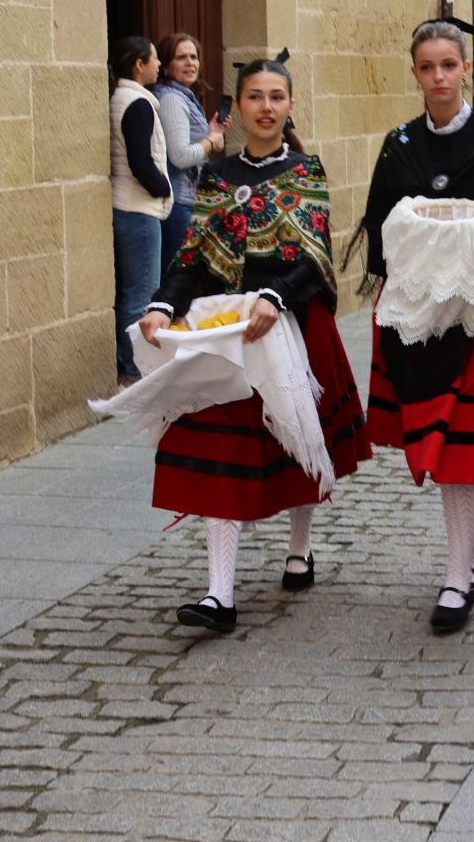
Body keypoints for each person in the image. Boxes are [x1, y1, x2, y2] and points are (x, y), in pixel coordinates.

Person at [133, 57, 370, 632]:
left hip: (292, 321)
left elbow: (314, 259)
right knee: (219, 448)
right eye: (255, 97)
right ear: (238, 107)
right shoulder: (218, 178)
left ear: (289, 106)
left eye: (277, 97)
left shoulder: (306, 170)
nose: (266, 107)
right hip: (229, 331)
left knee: (299, 438)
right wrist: (164, 302)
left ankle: (300, 545)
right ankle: (219, 593)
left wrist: (276, 294)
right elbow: (192, 257)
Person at [353, 20, 474, 633]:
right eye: (427, 67)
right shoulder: (399, 143)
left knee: (459, 445)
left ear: (466, 68)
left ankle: (456, 575)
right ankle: (471, 556)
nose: (439, 77)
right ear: (415, 73)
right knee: (437, 437)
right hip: (418, 318)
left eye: (448, 65)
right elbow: (380, 227)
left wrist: (461, 242)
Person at [109, 37, 172, 388]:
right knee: (142, 296)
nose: (159, 65)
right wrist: (162, 186)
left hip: (132, 207)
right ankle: (134, 372)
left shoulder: (128, 98)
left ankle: (132, 367)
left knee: (134, 293)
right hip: (138, 209)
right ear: (138, 64)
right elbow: (140, 160)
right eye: (154, 59)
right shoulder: (137, 103)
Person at [154, 33, 228, 261]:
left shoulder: (184, 96)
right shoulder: (173, 99)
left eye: (194, 57)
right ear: (166, 65)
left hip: (188, 201)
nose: (190, 63)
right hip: (179, 204)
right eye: (181, 57)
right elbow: (181, 156)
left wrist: (212, 131)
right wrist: (210, 142)